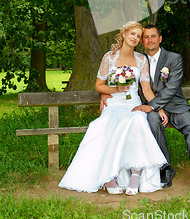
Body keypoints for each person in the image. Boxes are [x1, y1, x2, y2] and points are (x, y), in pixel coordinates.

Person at [102, 24, 190, 194]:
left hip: (175, 106)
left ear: (160, 39)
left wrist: (152, 106)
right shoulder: (137, 59)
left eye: (153, 36)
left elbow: (171, 88)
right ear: (142, 41)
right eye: (146, 37)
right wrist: (105, 94)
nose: (150, 40)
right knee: (152, 122)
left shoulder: (174, 58)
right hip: (152, 109)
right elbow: (117, 81)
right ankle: (165, 169)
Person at [59, 21, 168, 195]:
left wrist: (158, 107)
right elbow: (99, 86)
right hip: (114, 104)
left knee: (138, 121)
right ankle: (108, 178)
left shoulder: (141, 60)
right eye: (133, 34)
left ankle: (135, 175)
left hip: (132, 104)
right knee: (101, 127)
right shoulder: (109, 57)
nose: (135, 38)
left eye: (138, 36)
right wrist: (115, 89)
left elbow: (146, 90)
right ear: (124, 34)